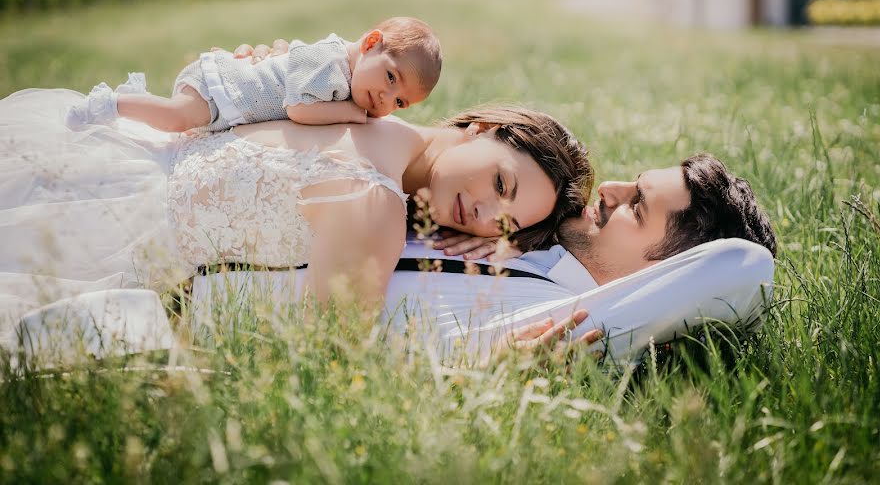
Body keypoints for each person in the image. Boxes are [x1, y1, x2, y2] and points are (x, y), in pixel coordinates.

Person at [0, 80, 593, 339]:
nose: (484, 210)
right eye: (501, 182)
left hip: (103, 203)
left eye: (503, 221)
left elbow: (323, 349)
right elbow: (324, 360)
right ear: (483, 128)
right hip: (97, 174)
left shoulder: (356, 124)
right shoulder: (370, 185)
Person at [191, 154, 777, 367]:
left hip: (186, 318)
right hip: (192, 225)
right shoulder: (520, 219)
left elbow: (746, 268)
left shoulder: (558, 327)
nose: (613, 187)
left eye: (638, 205)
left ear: (671, 275)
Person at [64, 17, 443, 132]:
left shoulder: (347, 73)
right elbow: (298, 108)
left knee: (173, 121)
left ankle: (130, 106)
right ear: (371, 43)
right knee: (178, 118)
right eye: (391, 78)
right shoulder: (331, 64)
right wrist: (350, 114)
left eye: (400, 102)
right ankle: (113, 103)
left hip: (231, 95)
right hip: (224, 88)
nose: (385, 100)